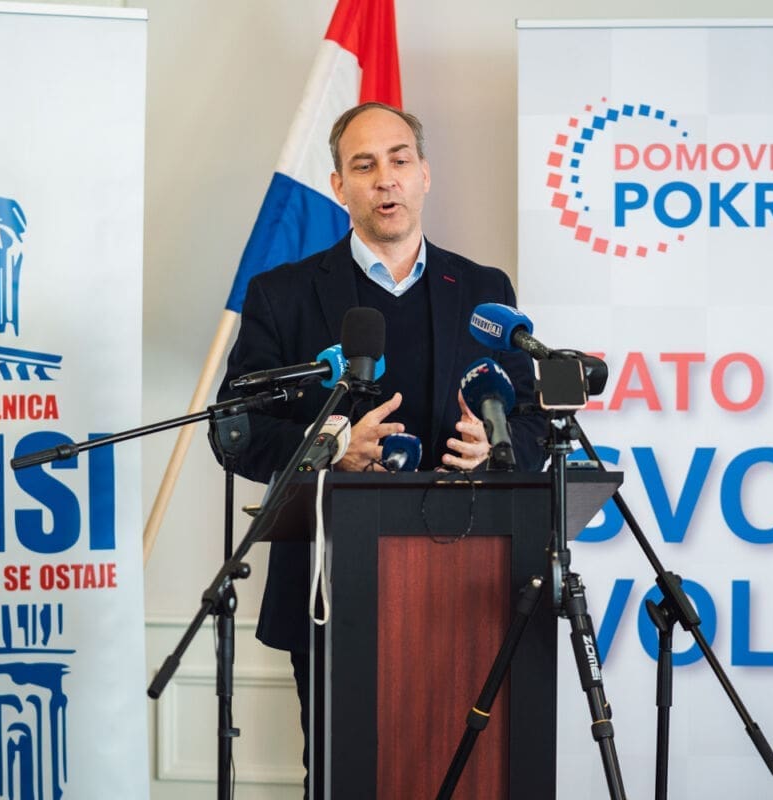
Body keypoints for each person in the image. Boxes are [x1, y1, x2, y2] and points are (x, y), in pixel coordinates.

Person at [213, 101, 546, 788]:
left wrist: (495, 444)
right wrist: (329, 447)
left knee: (468, 778)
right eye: (364, 166)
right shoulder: (282, 295)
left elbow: (535, 422)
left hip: (470, 584)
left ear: (424, 174)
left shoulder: (484, 292)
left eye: (399, 160)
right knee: (344, 777)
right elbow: (235, 431)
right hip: (331, 588)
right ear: (339, 186)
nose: (385, 179)